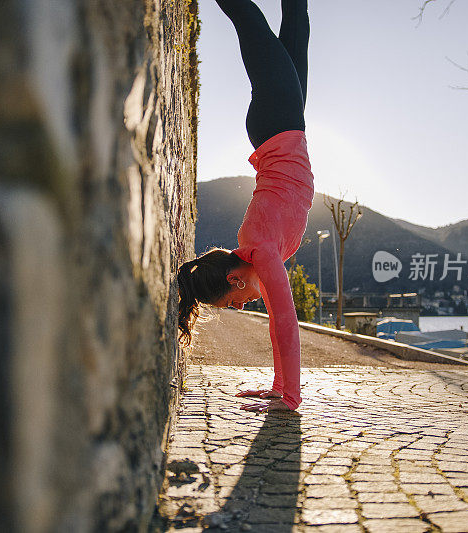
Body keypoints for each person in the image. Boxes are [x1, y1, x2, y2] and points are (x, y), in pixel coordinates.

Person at [177, 0, 313, 413]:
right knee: (297, 23)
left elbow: (286, 325)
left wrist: (289, 400)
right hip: (285, 121)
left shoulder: (260, 249)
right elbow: (277, 323)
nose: (241, 306)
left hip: (276, 118)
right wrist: (277, 389)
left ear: (235, 281)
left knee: (246, 18)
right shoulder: (259, 252)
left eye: (232, 303)